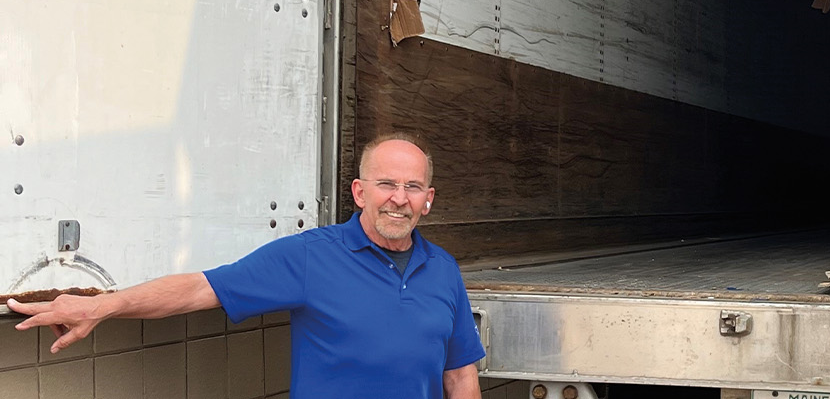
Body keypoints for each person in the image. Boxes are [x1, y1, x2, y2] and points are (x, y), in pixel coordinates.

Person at [7, 133, 484, 399]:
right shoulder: (311, 257)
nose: (399, 199)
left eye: (413, 187)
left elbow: (459, 376)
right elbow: (200, 289)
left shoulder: (442, 270)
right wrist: (103, 306)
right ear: (360, 193)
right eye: (386, 184)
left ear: (428, 200)